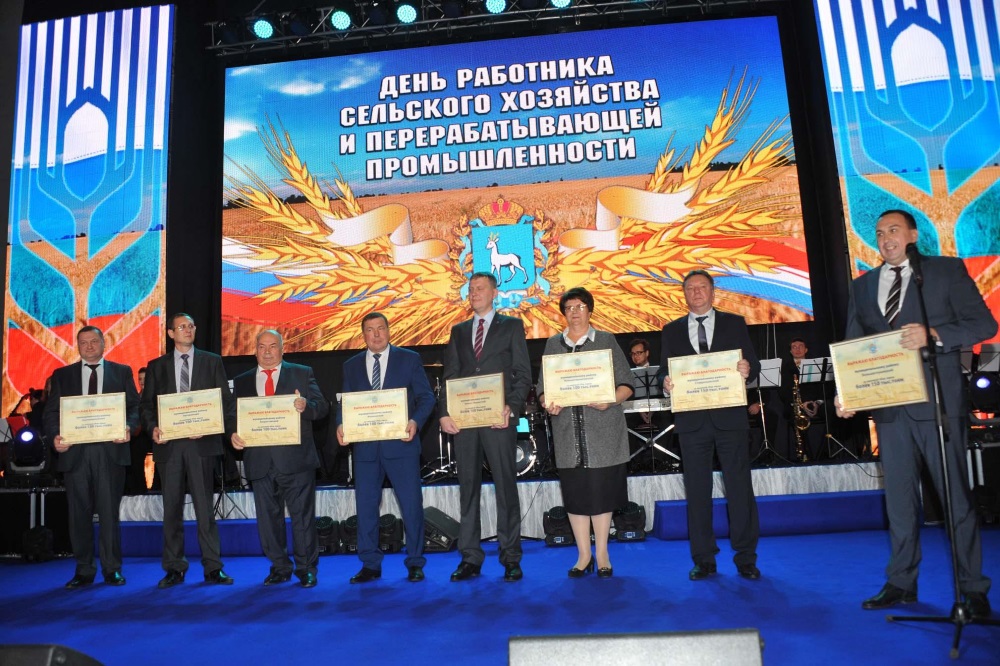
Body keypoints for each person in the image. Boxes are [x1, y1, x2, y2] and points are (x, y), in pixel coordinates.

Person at [836, 209, 995, 618]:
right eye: (879, 233)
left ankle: (972, 589)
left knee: (955, 499)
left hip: (937, 405)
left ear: (912, 234)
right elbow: (855, 346)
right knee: (899, 502)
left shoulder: (943, 271)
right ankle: (901, 582)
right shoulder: (862, 286)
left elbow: (983, 324)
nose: (885, 238)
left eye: (893, 230)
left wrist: (935, 334)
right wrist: (848, 394)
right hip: (889, 409)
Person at [660, 269, 762, 580]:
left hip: (730, 418)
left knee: (739, 489)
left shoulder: (735, 323)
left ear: (713, 292)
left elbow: (754, 365)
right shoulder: (671, 330)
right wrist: (665, 383)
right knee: (697, 493)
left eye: (702, 287)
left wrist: (747, 369)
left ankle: (746, 558)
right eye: (690, 288)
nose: (696, 292)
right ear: (684, 294)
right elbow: (664, 371)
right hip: (691, 423)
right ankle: (703, 559)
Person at [440, 272, 532, 582]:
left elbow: (523, 374)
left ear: (494, 293)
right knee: (468, 489)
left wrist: (512, 407)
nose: (474, 292)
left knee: (506, 487)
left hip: (498, 420)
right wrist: (444, 413)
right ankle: (470, 558)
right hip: (465, 423)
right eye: (470, 289)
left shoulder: (512, 326)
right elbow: (450, 375)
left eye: (480, 288)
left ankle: (511, 557)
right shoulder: (458, 331)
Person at [537, 288, 633, 578]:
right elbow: (543, 388)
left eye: (580, 306)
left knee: (601, 495)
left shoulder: (605, 340)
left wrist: (611, 399)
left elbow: (627, 384)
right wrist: (547, 402)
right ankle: (583, 555)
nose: (575, 312)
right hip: (568, 434)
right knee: (576, 496)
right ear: (563, 313)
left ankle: (602, 553)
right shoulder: (553, 344)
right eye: (569, 308)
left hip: (602, 432)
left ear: (590, 310)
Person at [337, 313, 436, 584]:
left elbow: (427, 398)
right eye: (370, 330)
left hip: (402, 446)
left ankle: (415, 562)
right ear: (363, 335)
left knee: (411, 506)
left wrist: (415, 421)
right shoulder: (351, 365)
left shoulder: (409, 359)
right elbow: (345, 403)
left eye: (381, 328)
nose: (376, 334)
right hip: (366, 450)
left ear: (389, 331)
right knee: (366, 508)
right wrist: (341, 424)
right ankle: (370, 564)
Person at [140, 313, 236, 588]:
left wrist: (211, 425)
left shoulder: (212, 361)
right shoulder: (156, 366)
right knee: (171, 510)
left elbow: (224, 401)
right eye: (181, 326)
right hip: (169, 447)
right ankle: (174, 568)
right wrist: (153, 428)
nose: (187, 330)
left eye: (191, 325)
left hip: (201, 445)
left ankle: (213, 567)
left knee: (205, 510)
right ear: (171, 333)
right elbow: (146, 406)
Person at [42, 326, 140, 588]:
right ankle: (84, 569)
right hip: (75, 454)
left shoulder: (122, 372)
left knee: (109, 515)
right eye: (83, 342)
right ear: (78, 346)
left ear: (103, 343)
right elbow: (51, 413)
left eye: (94, 341)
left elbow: (134, 407)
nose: (89, 346)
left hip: (110, 453)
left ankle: (112, 569)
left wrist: (128, 427)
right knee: (78, 516)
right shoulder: (62, 375)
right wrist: (54, 437)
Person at [231, 330, 328, 587]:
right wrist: (232, 434)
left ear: (282, 349)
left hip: (296, 460)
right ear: (255, 350)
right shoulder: (242, 381)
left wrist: (306, 406)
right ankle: (279, 566)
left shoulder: (302, 373)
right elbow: (232, 415)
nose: (267, 351)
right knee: (267, 520)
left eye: (273, 346)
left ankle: (306, 568)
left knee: (302, 518)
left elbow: (322, 407)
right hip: (259, 460)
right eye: (262, 346)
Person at [777, 338, 826, 462]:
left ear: (806, 350)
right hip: (794, 405)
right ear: (790, 351)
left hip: (814, 403)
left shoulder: (816, 366)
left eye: (800, 346)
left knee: (831, 411)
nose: (797, 349)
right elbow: (783, 392)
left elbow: (821, 388)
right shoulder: (785, 368)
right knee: (798, 417)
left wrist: (817, 402)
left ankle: (825, 452)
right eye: (794, 347)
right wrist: (800, 404)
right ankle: (806, 455)